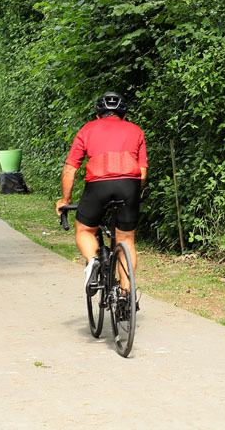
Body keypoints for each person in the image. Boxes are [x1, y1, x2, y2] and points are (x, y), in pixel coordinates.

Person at [55, 92, 147, 296]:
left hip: (98, 185)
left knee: (85, 230)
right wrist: (130, 195)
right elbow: (142, 174)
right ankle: (126, 295)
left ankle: (94, 261)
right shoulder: (135, 130)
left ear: (98, 114)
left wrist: (65, 200)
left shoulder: (87, 129)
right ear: (124, 114)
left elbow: (70, 170)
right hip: (129, 184)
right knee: (127, 240)